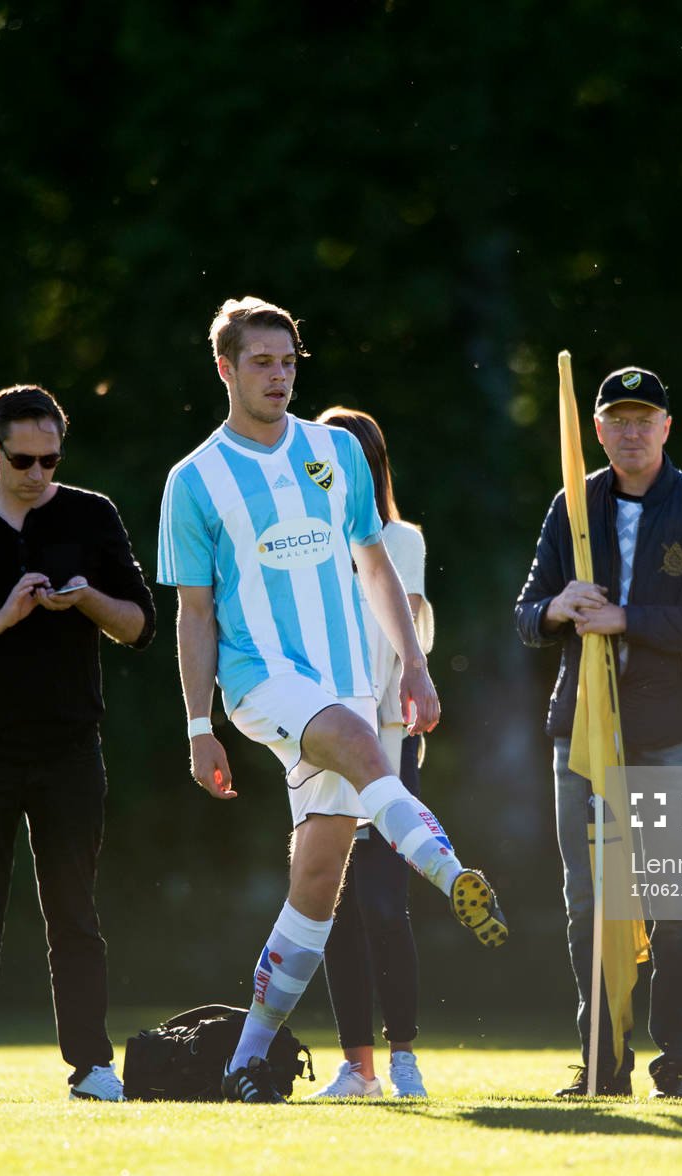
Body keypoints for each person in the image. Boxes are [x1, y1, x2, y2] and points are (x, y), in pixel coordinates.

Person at [157, 296, 506, 1105]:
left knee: (317, 877)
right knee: (356, 738)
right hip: (259, 681)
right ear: (226, 369)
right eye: (261, 363)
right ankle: (451, 873)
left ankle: (246, 1057)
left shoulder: (336, 451)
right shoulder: (195, 480)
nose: (278, 377)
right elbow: (195, 613)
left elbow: (376, 567)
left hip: (346, 677)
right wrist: (198, 726)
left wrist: (415, 668)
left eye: (288, 363)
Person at [0, 384, 155, 1102]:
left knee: (75, 913)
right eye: (24, 460)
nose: (40, 474)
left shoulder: (91, 513)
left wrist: (87, 600)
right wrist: (1, 619)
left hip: (71, 748)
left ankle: (91, 1066)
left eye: (51, 459)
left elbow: (140, 625)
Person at [514, 367, 682, 1100]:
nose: (630, 430)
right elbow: (526, 617)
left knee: (678, 905)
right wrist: (559, 606)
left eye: (644, 418)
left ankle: (674, 1062)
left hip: (672, 734)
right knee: (590, 902)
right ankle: (601, 1063)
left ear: (666, 428)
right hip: (581, 734)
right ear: (597, 429)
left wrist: (630, 619)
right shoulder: (572, 502)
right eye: (617, 418)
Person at [303, 407, 435, 1101]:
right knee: (332, 907)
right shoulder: (297, 545)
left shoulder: (400, 541)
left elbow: (398, 646)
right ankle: (357, 1067)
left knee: (384, 904)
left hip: (384, 750)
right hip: (319, 751)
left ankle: (403, 1054)